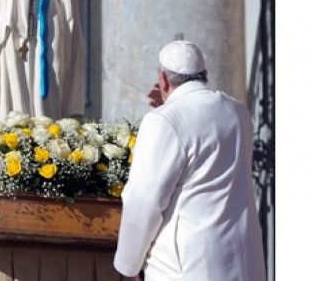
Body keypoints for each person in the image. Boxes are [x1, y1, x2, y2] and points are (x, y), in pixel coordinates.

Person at [114, 40, 266, 281]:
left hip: (186, 267)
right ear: (203, 75)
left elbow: (144, 199)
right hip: (243, 262)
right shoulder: (238, 112)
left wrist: (129, 265)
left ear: (163, 80)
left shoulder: (163, 120)